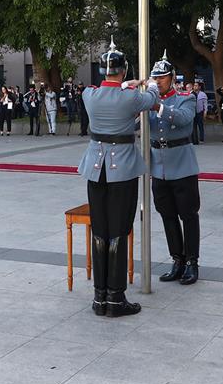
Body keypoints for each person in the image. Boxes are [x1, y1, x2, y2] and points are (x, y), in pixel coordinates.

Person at [79, 39, 158, 317]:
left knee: (99, 230)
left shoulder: (89, 95)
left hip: (95, 169)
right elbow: (154, 99)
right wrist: (143, 84)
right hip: (121, 170)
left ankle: (99, 296)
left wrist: (126, 85)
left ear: (102, 71)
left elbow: (110, 91)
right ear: (123, 71)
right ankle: (116, 297)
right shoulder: (131, 98)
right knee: (118, 232)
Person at [148, 53, 202, 286]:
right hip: (158, 166)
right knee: (167, 215)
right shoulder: (147, 100)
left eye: (162, 77)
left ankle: (192, 262)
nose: (158, 81)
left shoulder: (185, 98)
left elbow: (183, 120)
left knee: (188, 215)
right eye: (155, 78)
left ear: (171, 78)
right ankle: (177, 260)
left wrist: (158, 105)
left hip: (182, 164)